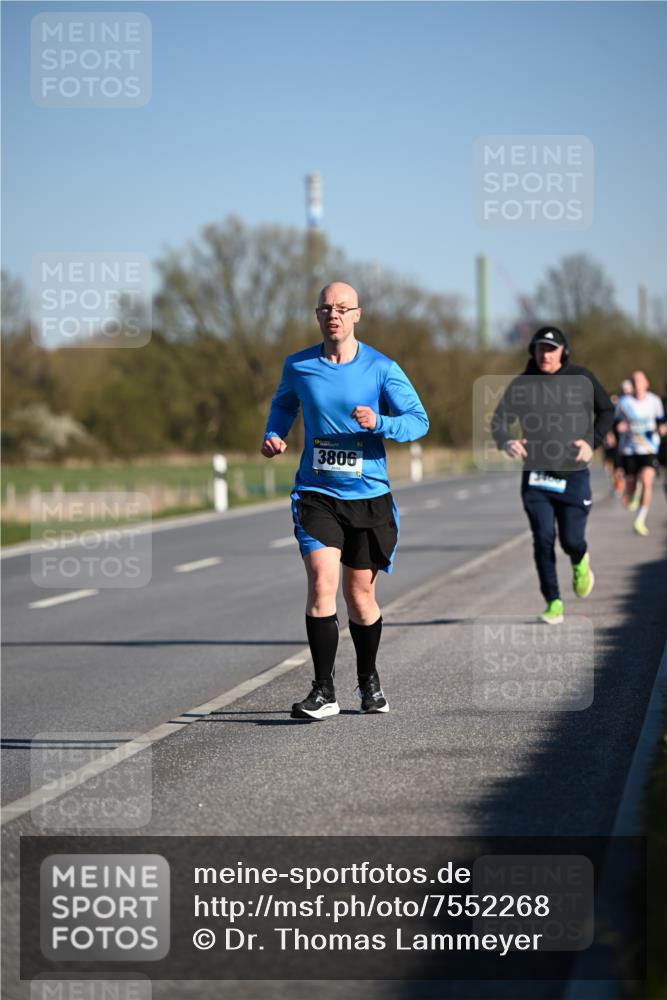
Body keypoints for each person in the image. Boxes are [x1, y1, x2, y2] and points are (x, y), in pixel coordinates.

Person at [261, 282, 429, 719]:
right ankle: (323, 690)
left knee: (360, 599)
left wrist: (380, 422)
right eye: (325, 308)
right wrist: (274, 434)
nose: (332, 315)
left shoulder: (381, 368)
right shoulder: (299, 365)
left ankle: (368, 681)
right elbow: (284, 406)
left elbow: (419, 421)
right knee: (322, 583)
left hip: (369, 497)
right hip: (317, 494)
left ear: (356, 314)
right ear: (317, 315)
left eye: (341, 308)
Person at [492, 326, 614, 624]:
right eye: (540, 348)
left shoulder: (581, 378)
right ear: (533, 351)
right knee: (543, 537)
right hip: (537, 476)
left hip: (573, 473)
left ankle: (580, 559)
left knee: (571, 540)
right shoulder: (523, 384)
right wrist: (506, 441)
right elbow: (499, 420)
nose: (545, 354)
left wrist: (591, 442)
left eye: (551, 349)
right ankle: (553, 601)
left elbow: (607, 411)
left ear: (563, 351)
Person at [614, 370, 666, 536]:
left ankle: (640, 519)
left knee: (647, 480)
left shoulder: (654, 401)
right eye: (634, 382)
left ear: (646, 383)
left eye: (640, 381)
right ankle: (632, 494)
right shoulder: (624, 402)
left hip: (648, 448)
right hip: (629, 449)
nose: (637, 385)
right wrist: (618, 427)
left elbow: (661, 420)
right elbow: (615, 422)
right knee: (631, 483)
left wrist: (662, 428)